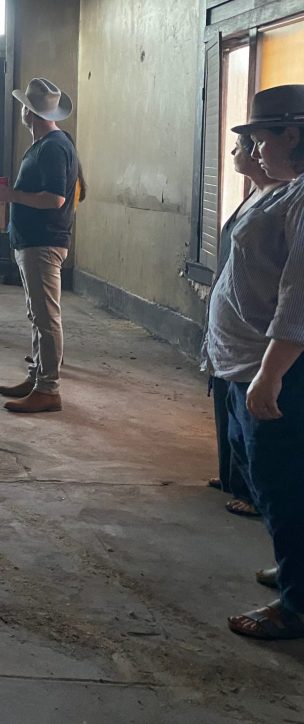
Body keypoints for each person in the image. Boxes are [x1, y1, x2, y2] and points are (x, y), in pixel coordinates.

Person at [207, 84, 304, 641]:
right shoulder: (279, 191)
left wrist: (271, 374)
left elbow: (299, 298)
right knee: (263, 480)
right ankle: (298, 570)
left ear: (291, 135)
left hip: (272, 371)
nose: (252, 150)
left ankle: (300, 602)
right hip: (240, 363)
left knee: (285, 486)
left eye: (259, 138)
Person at [206, 134, 288, 517]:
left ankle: (256, 495)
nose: (243, 152)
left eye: (252, 145)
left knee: (256, 434)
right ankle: (235, 477)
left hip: (255, 345)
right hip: (230, 341)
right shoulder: (255, 195)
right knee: (234, 424)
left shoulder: (285, 202)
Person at [0, 77, 80, 414]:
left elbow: (55, 198)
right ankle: (38, 375)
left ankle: (48, 389)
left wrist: (13, 196)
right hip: (33, 241)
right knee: (38, 314)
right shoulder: (49, 144)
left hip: (43, 243)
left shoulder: (54, 147)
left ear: (30, 113)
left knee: (46, 317)